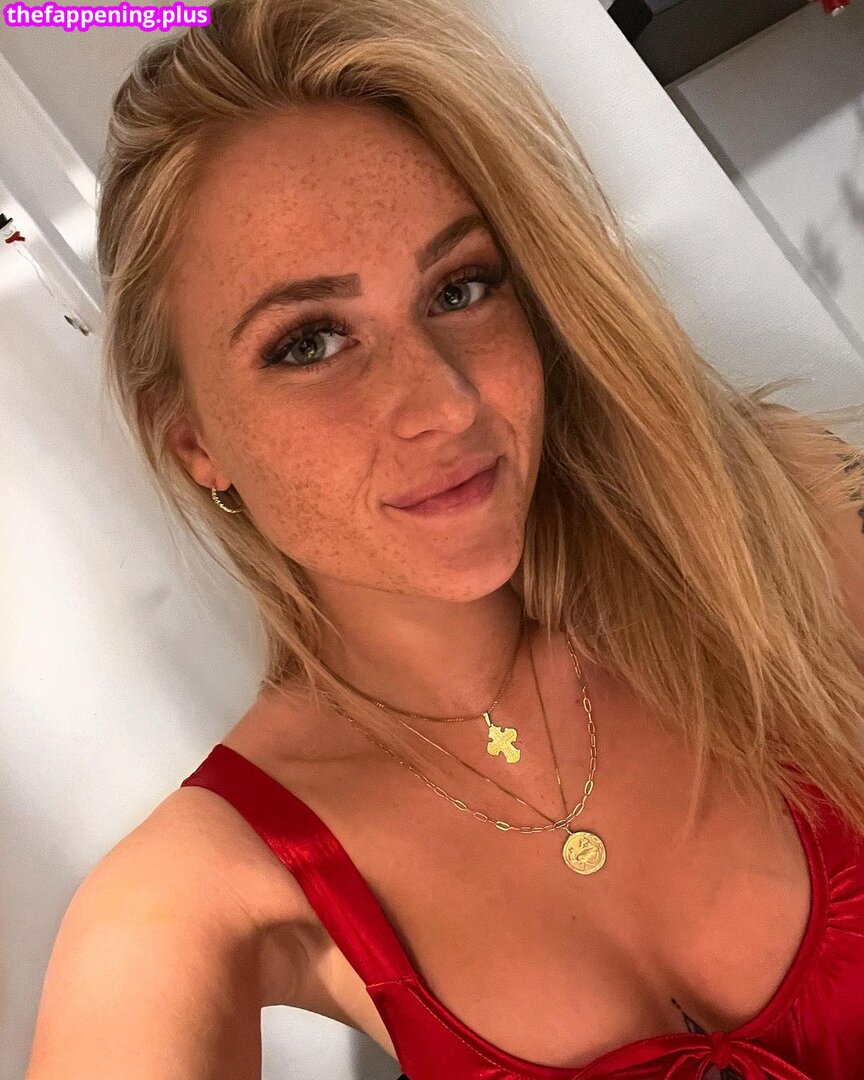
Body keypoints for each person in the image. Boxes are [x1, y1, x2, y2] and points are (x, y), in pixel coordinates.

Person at [25, 1, 864, 1078]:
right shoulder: (204, 889)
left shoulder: (771, 526)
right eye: (309, 342)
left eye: (460, 288)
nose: (446, 404)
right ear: (193, 439)